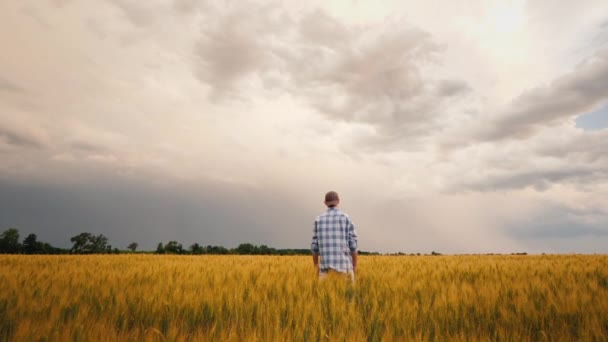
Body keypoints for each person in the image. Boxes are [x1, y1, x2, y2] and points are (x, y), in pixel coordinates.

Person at [311, 191, 358, 281]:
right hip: (345, 270)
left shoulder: (318, 220)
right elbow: (353, 245)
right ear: (338, 201)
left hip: (325, 272)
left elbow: (314, 248)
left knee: (324, 295)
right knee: (348, 295)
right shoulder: (346, 218)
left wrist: (316, 268)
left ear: (325, 203)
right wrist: (354, 266)